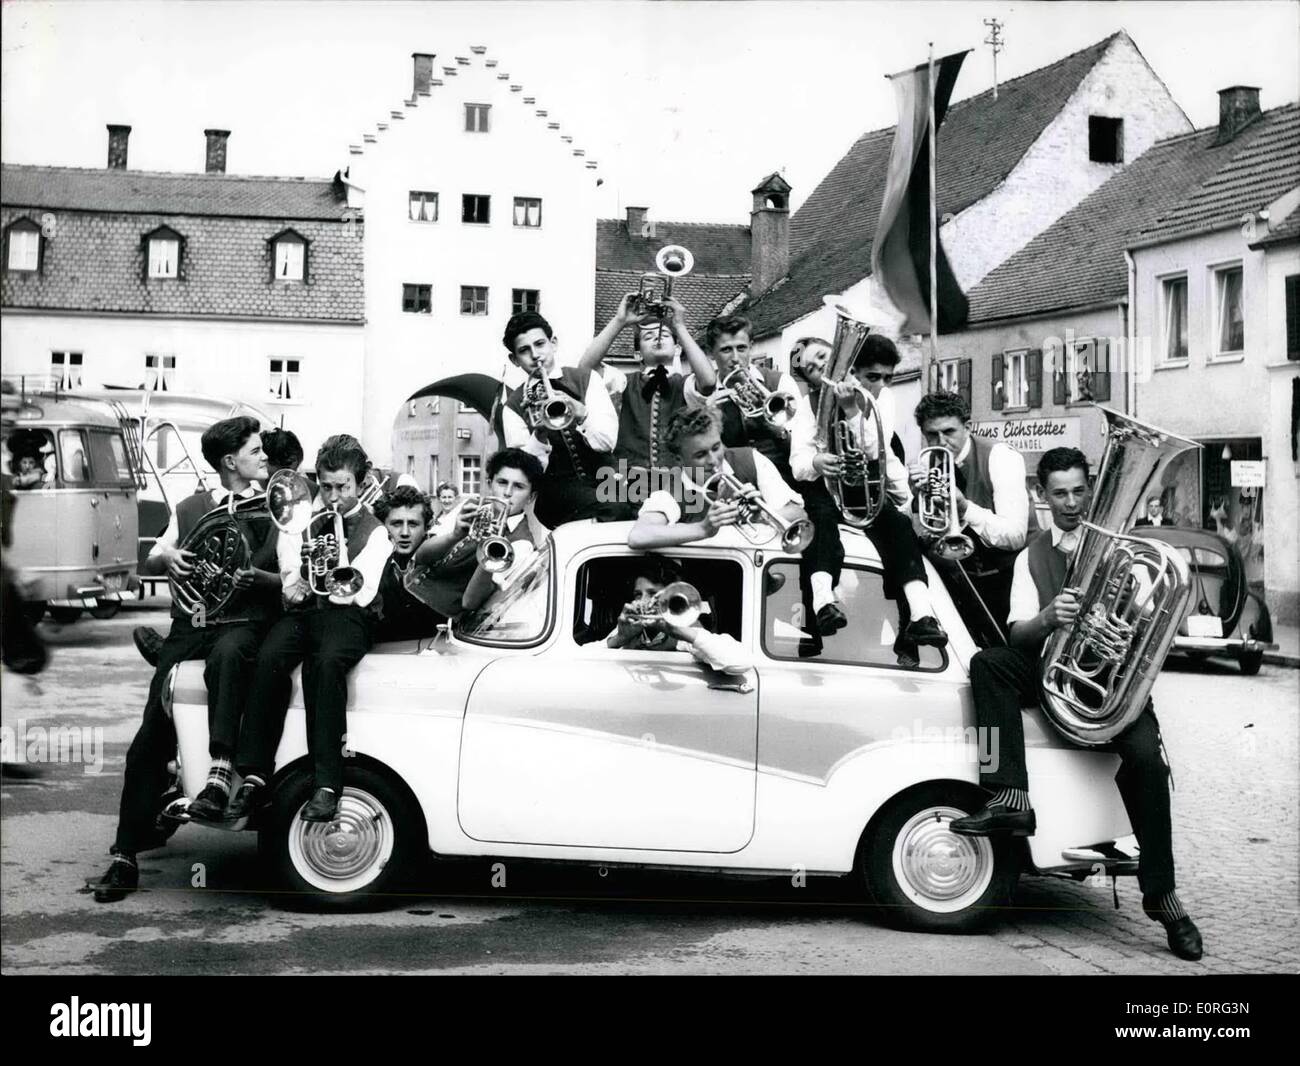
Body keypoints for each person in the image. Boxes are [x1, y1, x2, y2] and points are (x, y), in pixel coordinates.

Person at [949, 447, 1203, 962]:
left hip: (1113, 687)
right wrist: (1048, 618)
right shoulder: (1030, 557)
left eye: (1079, 490)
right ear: (1042, 497)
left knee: (1149, 764)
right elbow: (1018, 631)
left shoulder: (1126, 554)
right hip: (1053, 676)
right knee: (988, 664)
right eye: (1059, 493)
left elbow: (1156, 628)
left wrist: (1124, 631)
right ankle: (1008, 796)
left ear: (1091, 489)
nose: (1071, 502)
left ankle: (1163, 897)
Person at [93, 417, 280, 900]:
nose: (264, 456)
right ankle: (124, 855)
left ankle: (219, 774)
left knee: (230, 656)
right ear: (229, 462)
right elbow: (151, 560)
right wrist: (169, 559)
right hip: (192, 627)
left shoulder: (276, 508)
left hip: (241, 627)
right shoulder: (192, 506)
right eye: (255, 450)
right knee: (149, 736)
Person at [225, 434, 392, 826]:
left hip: (350, 617)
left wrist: (338, 555)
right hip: (308, 612)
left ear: (361, 484)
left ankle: (327, 783)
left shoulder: (376, 532)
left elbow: (361, 594)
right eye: (327, 485)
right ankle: (254, 773)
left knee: (327, 665)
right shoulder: (299, 519)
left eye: (343, 487)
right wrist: (302, 569)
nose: (333, 497)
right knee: (268, 657)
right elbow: (291, 592)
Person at [788, 333, 948, 650]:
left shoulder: (883, 399)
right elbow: (798, 463)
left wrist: (852, 411)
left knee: (899, 526)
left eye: (886, 378)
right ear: (851, 372)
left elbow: (875, 450)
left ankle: (921, 613)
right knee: (821, 522)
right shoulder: (811, 403)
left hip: (865, 489)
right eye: (872, 377)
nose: (878, 385)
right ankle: (823, 602)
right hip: (826, 489)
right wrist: (818, 462)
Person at [909, 390, 1029, 636]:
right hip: (965, 582)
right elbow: (924, 536)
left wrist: (964, 508)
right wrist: (915, 500)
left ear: (968, 427)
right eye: (932, 434)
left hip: (1013, 579)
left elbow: (1015, 536)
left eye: (949, 432)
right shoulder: (929, 464)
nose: (941, 442)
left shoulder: (1000, 456)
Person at [579, 292, 717, 492]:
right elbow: (585, 370)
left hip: (679, 480)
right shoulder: (624, 381)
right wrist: (620, 321)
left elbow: (709, 381)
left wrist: (679, 326)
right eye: (648, 336)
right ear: (637, 354)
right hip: (628, 479)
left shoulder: (686, 384)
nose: (658, 337)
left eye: (665, 335)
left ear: (677, 349)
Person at [495, 310, 618, 526]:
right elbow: (527, 475)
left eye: (540, 344)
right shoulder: (513, 407)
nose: (535, 355)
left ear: (553, 343)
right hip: (557, 497)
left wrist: (581, 412)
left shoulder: (588, 380)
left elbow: (606, 443)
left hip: (608, 484)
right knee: (615, 507)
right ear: (514, 360)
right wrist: (539, 435)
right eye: (524, 350)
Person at [628, 406, 806, 552]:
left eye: (716, 447)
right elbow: (638, 536)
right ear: (679, 460)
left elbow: (799, 515)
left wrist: (760, 515)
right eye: (700, 455)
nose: (713, 461)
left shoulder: (751, 459)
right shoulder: (672, 490)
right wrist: (703, 528)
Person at [408, 448, 549, 617]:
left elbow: (470, 602)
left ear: (531, 497)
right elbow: (421, 557)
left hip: (438, 617)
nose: (507, 492)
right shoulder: (472, 507)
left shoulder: (522, 544)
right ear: (490, 484)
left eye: (518, 486)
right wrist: (455, 535)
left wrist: (492, 551)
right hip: (409, 589)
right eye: (502, 482)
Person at [688, 315, 800, 485]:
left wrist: (769, 424)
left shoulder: (780, 383)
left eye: (741, 348)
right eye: (726, 350)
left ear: (751, 347)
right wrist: (709, 416)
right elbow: (700, 455)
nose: (735, 358)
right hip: (734, 484)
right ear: (710, 353)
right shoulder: (703, 393)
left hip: (785, 479)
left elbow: (801, 444)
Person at [601, 555, 751, 675]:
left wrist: (678, 631)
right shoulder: (631, 626)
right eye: (638, 594)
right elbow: (581, 660)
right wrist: (619, 639)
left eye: (653, 593)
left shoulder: (683, 629)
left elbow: (741, 662)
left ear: (670, 598)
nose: (643, 601)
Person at [372, 484, 444, 642]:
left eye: (413, 524)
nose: (404, 533)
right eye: (396, 524)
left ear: (427, 527)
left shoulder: (442, 562)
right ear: (382, 526)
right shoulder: (371, 563)